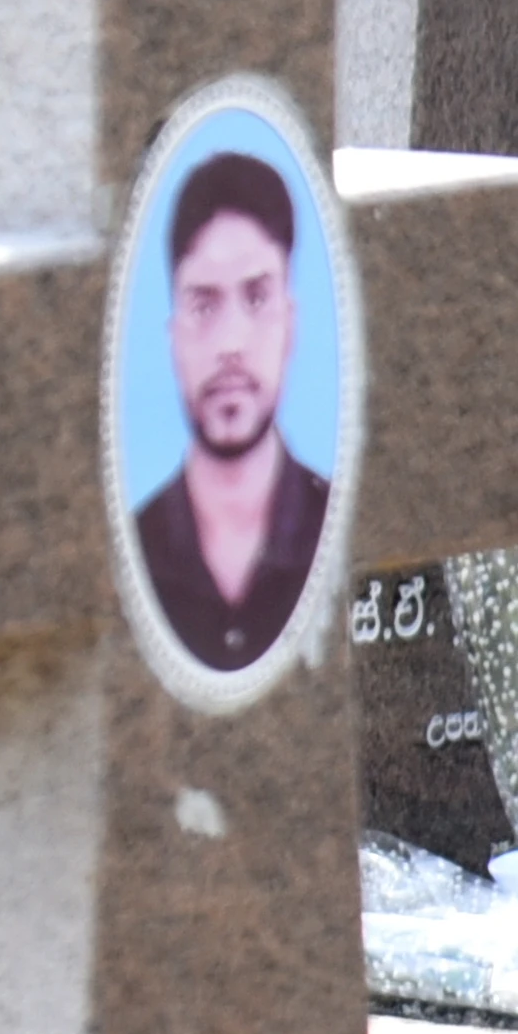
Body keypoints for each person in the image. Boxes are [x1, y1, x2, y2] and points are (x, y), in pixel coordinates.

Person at [133, 146, 332, 675]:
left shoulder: (335, 525)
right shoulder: (132, 549)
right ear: (171, 334)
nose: (231, 342)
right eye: (203, 304)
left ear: (292, 323)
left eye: (257, 297)